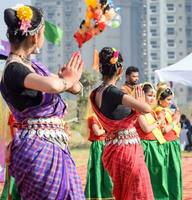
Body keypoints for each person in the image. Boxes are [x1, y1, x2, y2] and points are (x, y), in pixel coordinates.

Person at [1, 5, 85, 199]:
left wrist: (71, 84)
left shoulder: (32, 67)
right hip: (37, 150)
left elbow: (65, 85)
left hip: (51, 146)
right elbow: (55, 85)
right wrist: (66, 81)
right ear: (34, 36)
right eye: (43, 33)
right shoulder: (15, 69)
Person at [90, 47, 154, 200]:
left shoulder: (95, 93)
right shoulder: (115, 93)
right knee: (138, 192)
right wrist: (140, 103)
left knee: (125, 193)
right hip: (127, 150)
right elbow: (146, 108)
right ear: (119, 70)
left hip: (113, 149)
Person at [136, 83, 170, 199]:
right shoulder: (138, 111)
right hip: (147, 147)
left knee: (160, 177)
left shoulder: (151, 111)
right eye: (149, 95)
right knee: (150, 178)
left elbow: (160, 129)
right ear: (141, 95)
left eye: (154, 96)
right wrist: (159, 120)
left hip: (157, 145)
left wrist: (161, 121)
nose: (152, 98)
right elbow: (146, 129)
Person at [155, 87, 182, 200]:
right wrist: (176, 120)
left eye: (171, 100)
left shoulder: (167, 110)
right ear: (160, 99)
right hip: (167, 146)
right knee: (170, 173)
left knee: (174, 173)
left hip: (173, 144)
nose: (169, 102)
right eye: (168, 100)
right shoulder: (159, 111)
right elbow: (164, 130)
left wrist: (175, 117)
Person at [85, 114, 113, 199]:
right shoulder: (93, 117)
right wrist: (107, 129)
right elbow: (97, 132)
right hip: (99, 145)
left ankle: (108, 193)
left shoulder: (102, 116)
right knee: (98, 168)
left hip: (105, 144)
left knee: (107, 169)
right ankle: (98, 193)